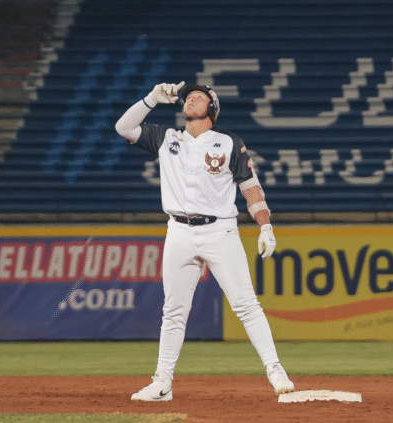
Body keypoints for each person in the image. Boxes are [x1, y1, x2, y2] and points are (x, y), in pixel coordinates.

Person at [115, 81, 295, 401]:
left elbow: (250, 187)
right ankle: (163, 382)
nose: (191, 100)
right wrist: (150, 99)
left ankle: (275, 368)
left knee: (245, 305)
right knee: (173, 311)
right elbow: (124, 127)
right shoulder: (167, 137)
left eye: (199, 97)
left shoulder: (227, 142)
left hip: (219, 231)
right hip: (179, 230)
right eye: (188, 97)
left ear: (212, 109)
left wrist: (265, 226)